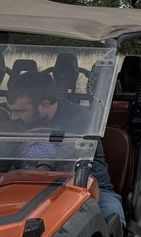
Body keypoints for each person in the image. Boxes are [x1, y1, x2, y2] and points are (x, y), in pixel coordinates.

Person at [7, 71, 125, 227]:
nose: (14, 117)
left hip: (85, 188)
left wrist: (33, 172)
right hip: (29, 189)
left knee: (111, 215)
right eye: (12, 110)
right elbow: (0, 150)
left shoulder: (81, 118)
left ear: (44, 105)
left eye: (20, 111)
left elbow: (63, 154)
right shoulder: (19, 122)